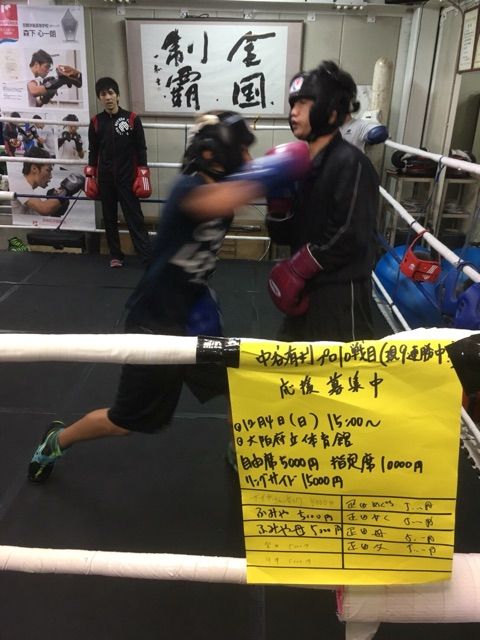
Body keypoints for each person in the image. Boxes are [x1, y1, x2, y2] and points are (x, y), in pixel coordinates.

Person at [27, 110, 310, 483]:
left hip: (195, 312)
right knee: (124, 422)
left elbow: (240, 191)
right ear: (216, 153)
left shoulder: (222, 184)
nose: (247, 158)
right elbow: (223, 199)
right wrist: (285, 165)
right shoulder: (188, 191)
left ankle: (238, 451)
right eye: (241, 149)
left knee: (237, 386)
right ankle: (56, 441)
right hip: (155, 320)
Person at [266, 60, 380, 343]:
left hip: (341, 295)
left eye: (304, 103)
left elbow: (350, 235)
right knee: (293, 364)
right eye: (293, 103)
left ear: (331, 111)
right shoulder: (303, 165)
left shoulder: (351, 163)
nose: (294, 112)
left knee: (341, 368)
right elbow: (286, 235)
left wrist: (297, 267)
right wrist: (278, 205)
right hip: (307, 288)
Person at [84, 77, 152, 268]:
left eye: (111, 93)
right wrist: (90, 175)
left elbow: (141, 148)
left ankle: (146, 256)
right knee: (109, 217)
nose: (108, 97)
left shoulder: (131, 119)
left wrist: (143, 172)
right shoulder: (96, 122)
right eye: (103, 94)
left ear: (118, 95)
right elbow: (93, 150)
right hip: (106, 178)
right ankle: (116, 254)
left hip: (127, 177)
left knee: (134, 217)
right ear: (99, 98)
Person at [11, 147, 84, 218]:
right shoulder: (20, 185)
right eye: (48, 170)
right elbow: (44, 209)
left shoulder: (24, 186)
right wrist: (66, 190)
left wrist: (55, 206)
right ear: (34, 168)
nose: (51, 176)